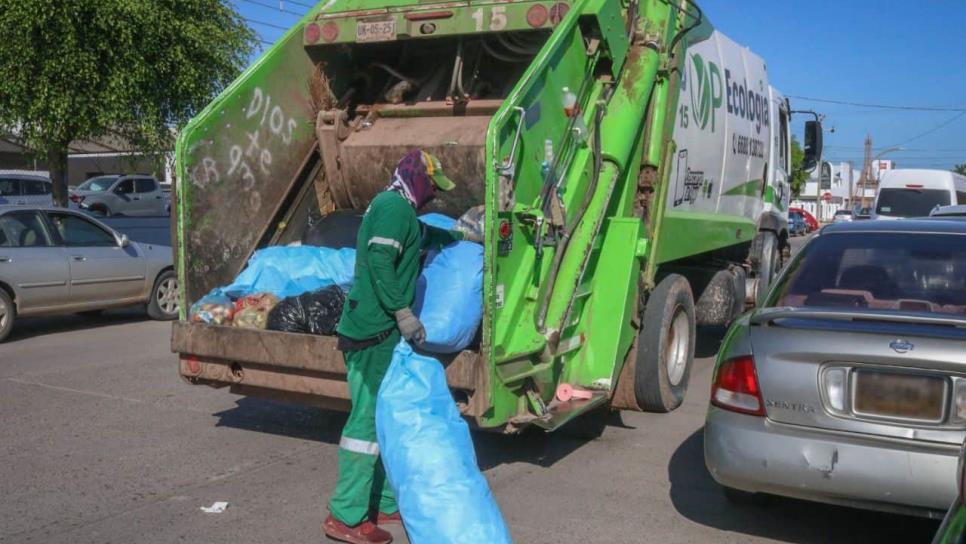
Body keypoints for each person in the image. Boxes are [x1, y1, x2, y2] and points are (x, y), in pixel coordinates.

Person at [323, 149, 479, 544]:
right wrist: (403, 313)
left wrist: (462, 235)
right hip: (372, 330)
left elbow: (425, 235)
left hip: (381, 331)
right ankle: (346, 515)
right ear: (417, 179)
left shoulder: (403, 210)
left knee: (385, 416)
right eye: (432, 187)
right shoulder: (393, 208)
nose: (433, 195)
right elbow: (378, 262)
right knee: (365, 423)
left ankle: (386, 500)